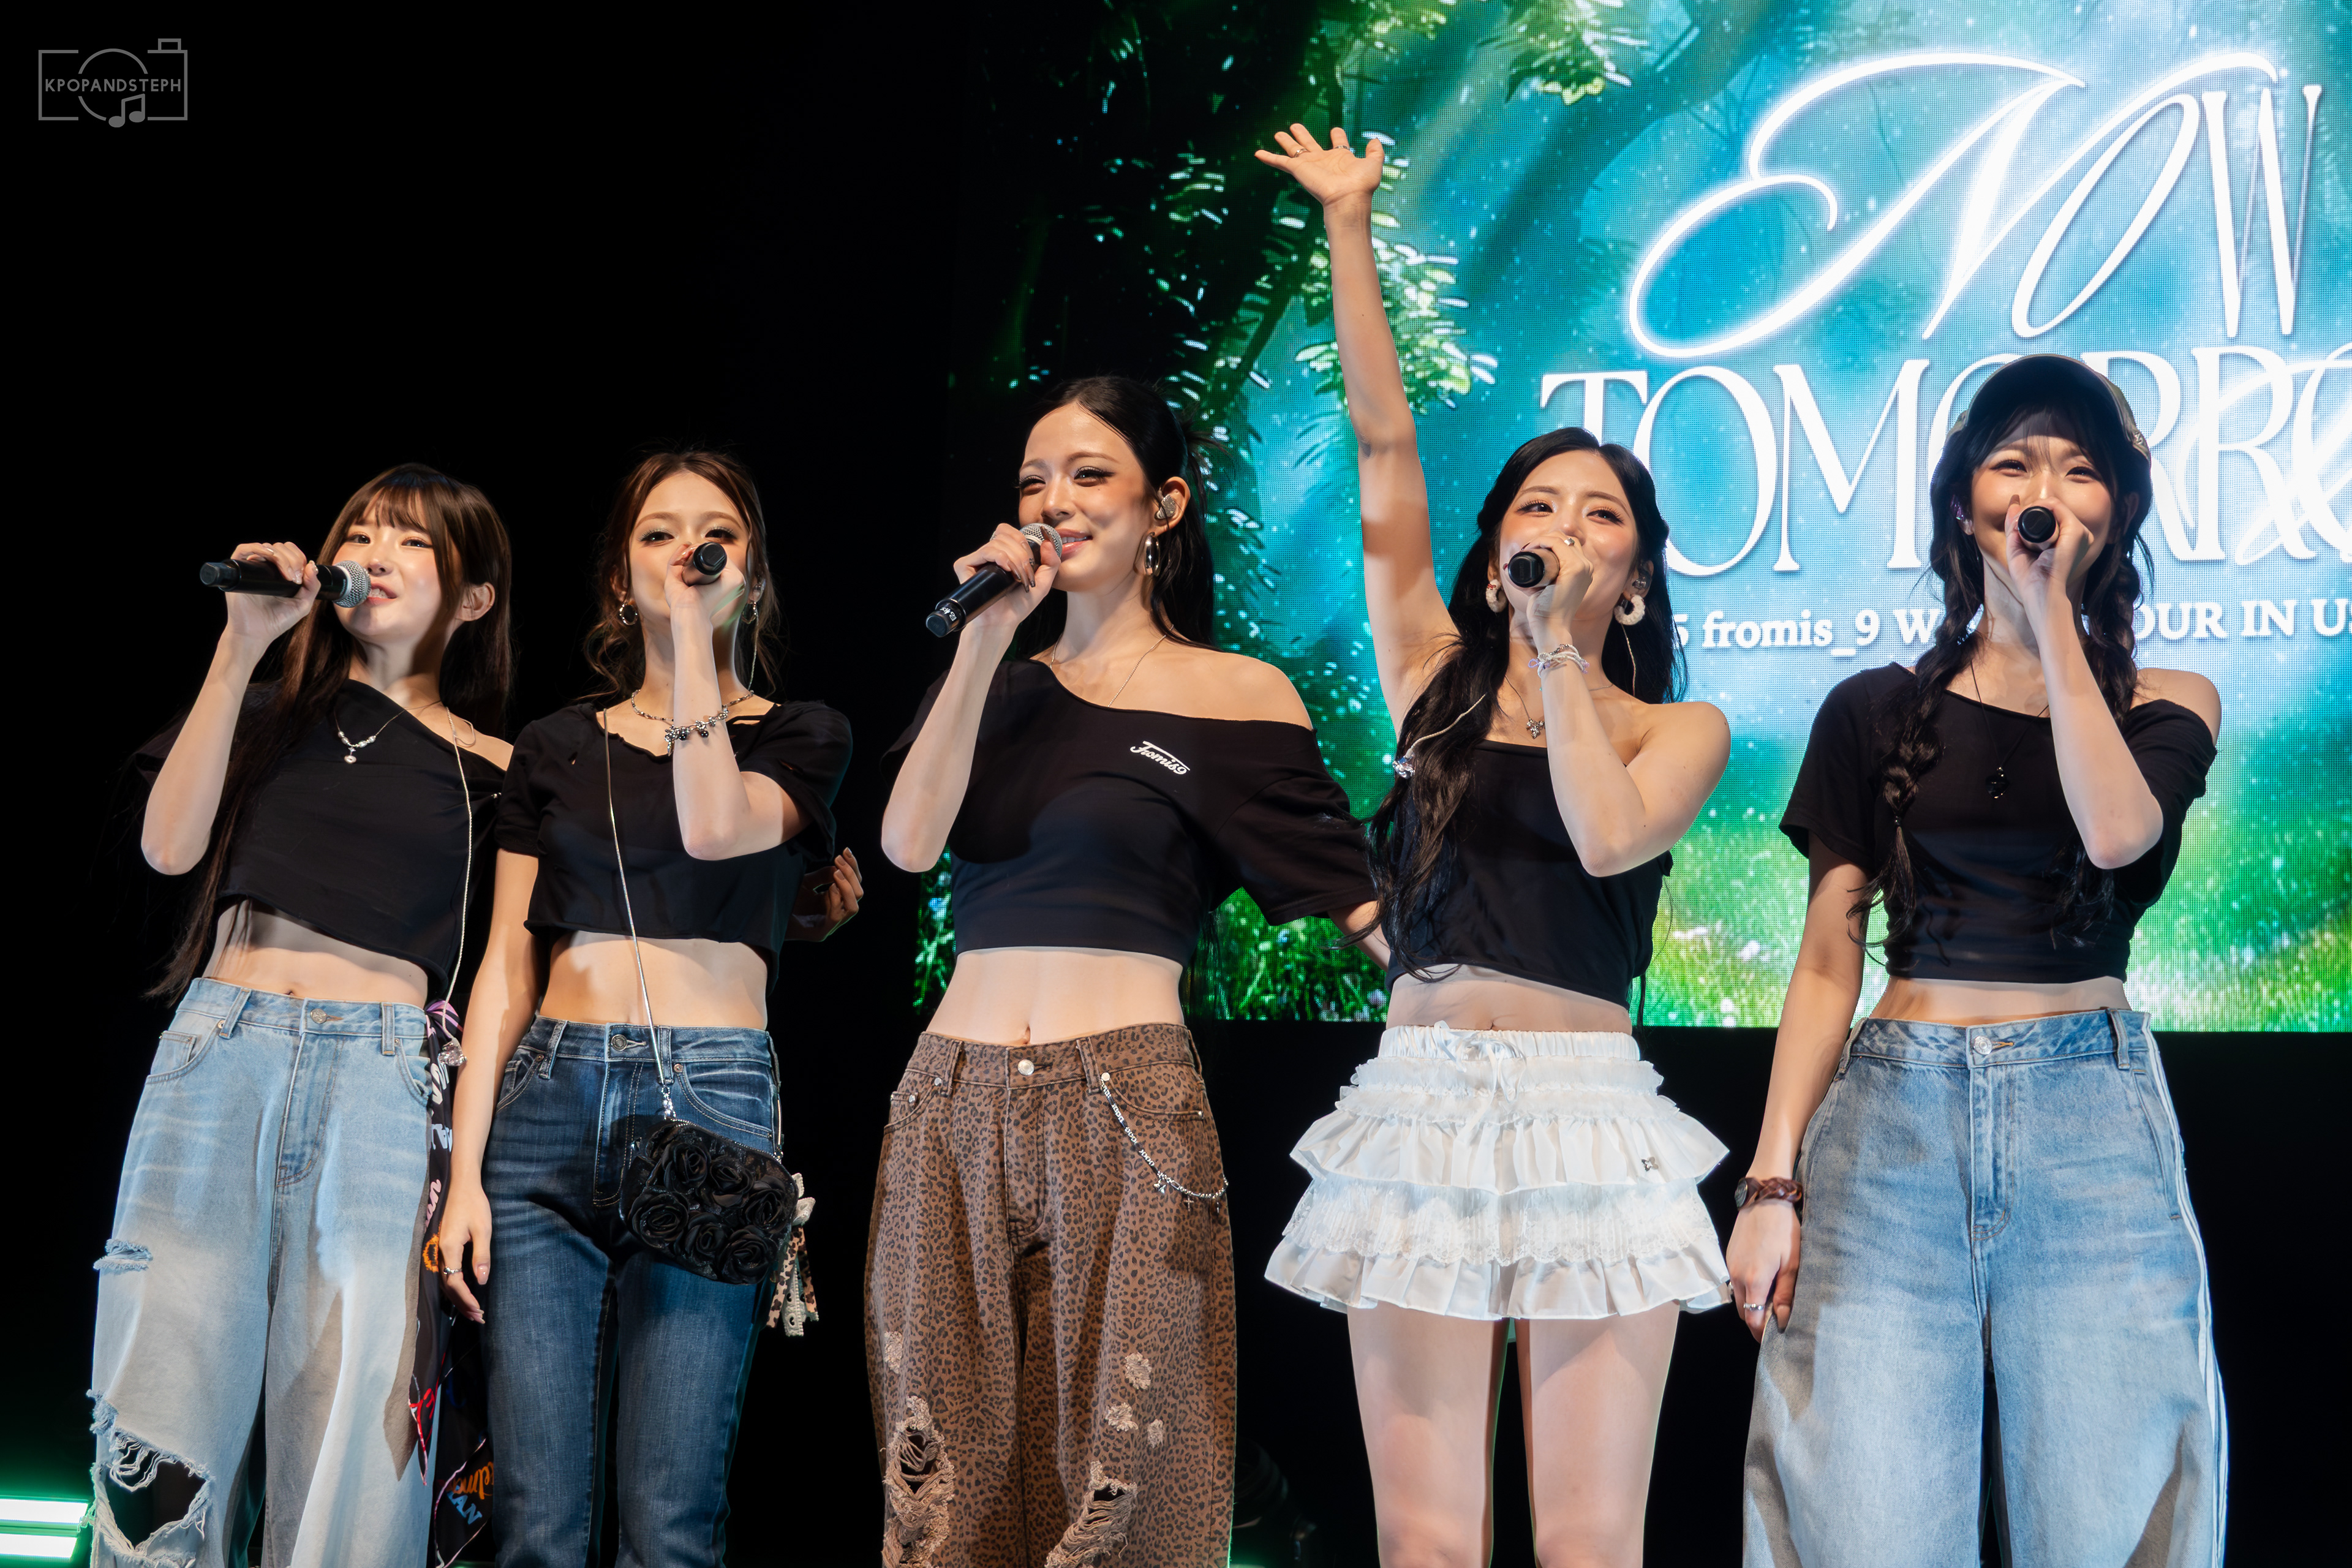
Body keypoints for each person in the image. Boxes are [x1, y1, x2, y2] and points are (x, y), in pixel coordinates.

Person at [1254, 127, 1735, 1566]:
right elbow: (1383, 451)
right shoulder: (1429, 678)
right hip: (1425, 1102)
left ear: (1633, 580)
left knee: (1589, 1538)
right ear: (1492, 551)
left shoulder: (1676, 727)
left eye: (1600, 517)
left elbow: (1604, 836)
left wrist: (1556, 651)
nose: (1565, 528)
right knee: (1428, 1540)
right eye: (1539, 507)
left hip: (1591, 1109)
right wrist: (1349, 225)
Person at [870, 375, 1380, 1564]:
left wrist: (1504, 1002)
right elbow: (906, 844)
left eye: (1089, 474)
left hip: (1126, 1104)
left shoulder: (1233, 695)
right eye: (1033, 481)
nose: (1054, 501)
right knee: (940, 1491)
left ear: (1166, 506)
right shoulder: (994, 678)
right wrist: (987, 636)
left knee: (1130, 1483)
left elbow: (1362, 905)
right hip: (949, 1102)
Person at [1728, 355, 2225, 1567]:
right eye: (2014, 462)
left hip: (2088, 1115)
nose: (2042, 487)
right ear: (1965, 504)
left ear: (2115, 513)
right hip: (1893, 1122)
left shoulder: (2172, 702)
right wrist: (1771, 1185)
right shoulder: (1871, 709)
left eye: (2078, 468)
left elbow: (2116, 833)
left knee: (2108, 1510)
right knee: (1864, 1512)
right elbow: (1826, 961)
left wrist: (2049, 618)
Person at [434, 450, 856, 1567]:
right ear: (620, 579)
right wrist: (465, 1175)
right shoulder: (554, 745)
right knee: (535, 1522)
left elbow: (716, 827)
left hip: (708, 1094)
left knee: (670, 1524)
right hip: (548, 1098)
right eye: (658, 535)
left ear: (751, 574)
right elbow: (506, 965)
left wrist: (697, 650)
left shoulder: (801, 734)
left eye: (715, 534)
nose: (687, 552)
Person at [101, 465, 513, 1567]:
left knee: (350, 1456)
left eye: (412, 542)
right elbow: (167, 848)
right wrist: (243, 644)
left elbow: (526, 967)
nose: (374, 554)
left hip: (378, 1087)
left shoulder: (498, 771)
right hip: (220, 1058)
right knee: (159, 1436)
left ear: (474, 598)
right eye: (361, 532)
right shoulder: (267, 710)